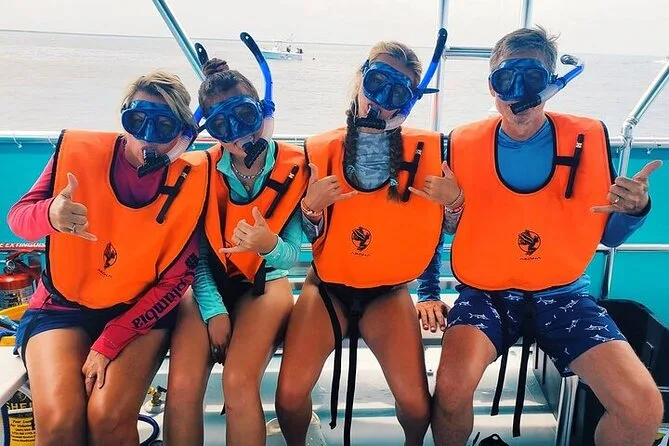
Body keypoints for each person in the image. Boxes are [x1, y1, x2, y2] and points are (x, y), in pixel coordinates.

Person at [425, 26, 664, 446]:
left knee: (642, 407)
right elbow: (439, 228)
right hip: (487, 295)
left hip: (563, 294)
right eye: (507, 79)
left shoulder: (586, 140)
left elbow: (609, 237)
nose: (519, 94)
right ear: (492, 86)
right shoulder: (461, 145)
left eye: (533, 79)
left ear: (551, 85)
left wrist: (635, 210)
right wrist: (429, 290)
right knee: (450, 391)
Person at [7, 70, 207, 446]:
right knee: (60, 422)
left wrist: (109, 342)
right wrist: (50, 214)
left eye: (163, 126)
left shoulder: (193, 181)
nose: (146, 136)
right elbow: (18, 218)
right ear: (123, 119)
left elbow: (178, 280)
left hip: (138, 312)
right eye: (137, 120)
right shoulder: (80, 155)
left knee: (108, 418)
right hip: (61, 306)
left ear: (182, 135)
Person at [275, 32, 455, 446]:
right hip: (327, 288)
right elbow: (308, 235)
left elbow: (429, 232)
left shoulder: (428, 154)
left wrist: (430, 290)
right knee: (289, 396)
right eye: (376, 84)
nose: (380, 102)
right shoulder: (319, 150)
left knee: (416, 407)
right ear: (360, 81)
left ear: (407, 104)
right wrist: (310, 209)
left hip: (388, 293)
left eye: (396, 94)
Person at [163, 55, 308, 446]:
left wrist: (268, 245)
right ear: (211, 131)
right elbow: (195, 255)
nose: (239, 134)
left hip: (267, 283)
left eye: (246, 116)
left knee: (238, 381)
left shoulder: (295, 165)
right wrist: (214, 311)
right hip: (208, 283)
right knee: (181, 386)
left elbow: (291, 255)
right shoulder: (200, 170)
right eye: (223, 126)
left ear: (262, 111)